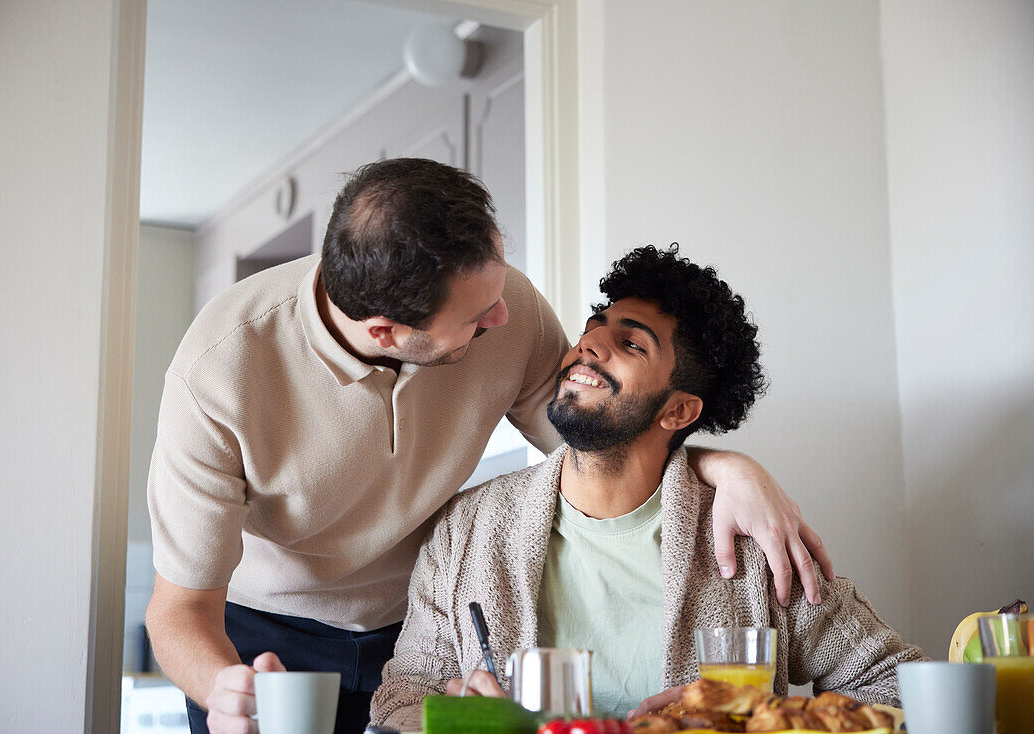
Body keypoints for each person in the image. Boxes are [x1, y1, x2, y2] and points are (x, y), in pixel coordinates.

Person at [144, 159, 833, 734]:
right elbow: (178, 610)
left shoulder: (510, 309)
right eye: (479, 318)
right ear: (387, 332)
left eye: (501, 291)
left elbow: (600, 444)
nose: (506, 320)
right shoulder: (220, 372)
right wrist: (223, 686)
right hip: (268, 637)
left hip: (418, 619)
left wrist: (726, 465)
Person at [370, 245, 925, 730]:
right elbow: (400, 697)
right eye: (596, 325)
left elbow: (902, 688)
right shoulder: (468, 530)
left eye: (632, 344)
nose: (589, 344)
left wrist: (750, 719)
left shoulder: (753, 545)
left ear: (679, 410)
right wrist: (462, 717)